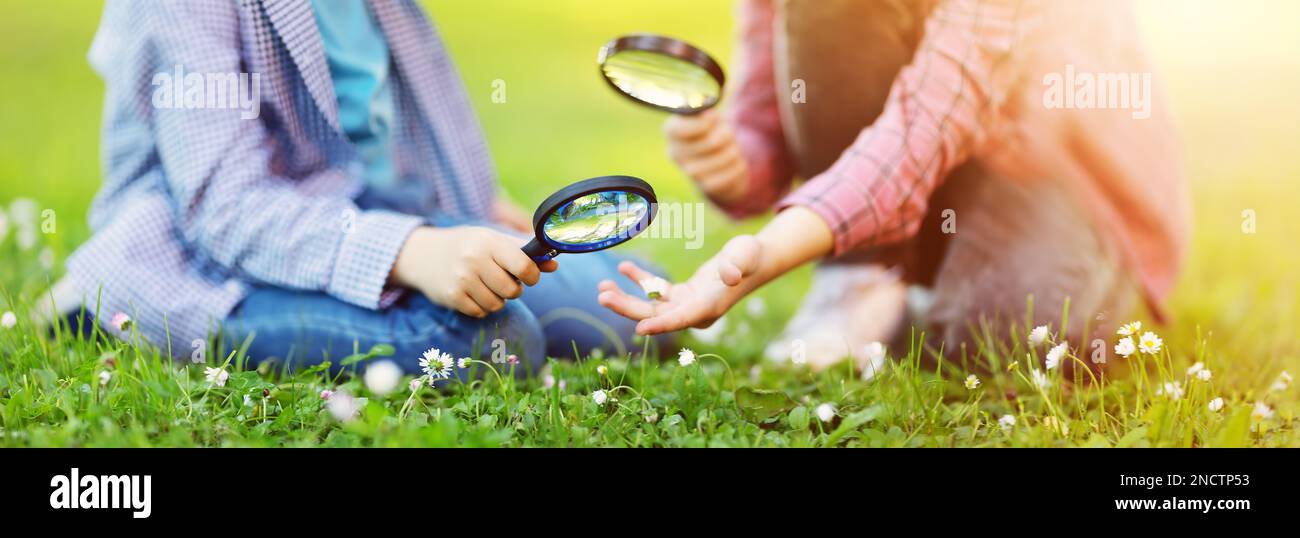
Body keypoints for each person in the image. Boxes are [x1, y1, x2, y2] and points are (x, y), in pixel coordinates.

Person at [56, 0, 654, 378]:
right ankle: (104, 308)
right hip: (210, 257)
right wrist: (414, 253)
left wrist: (475, 213)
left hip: (377, 217)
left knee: (635, 308)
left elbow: (388, 127)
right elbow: (225, 212)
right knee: (498, 343)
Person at [598, 0, 1189, 369]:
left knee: (1004, 338)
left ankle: (911, 291)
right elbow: (768, 124)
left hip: (1056, 164)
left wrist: (766, 258)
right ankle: (864, 277)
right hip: (910, 173)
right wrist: (733, 164)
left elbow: (924, 128)